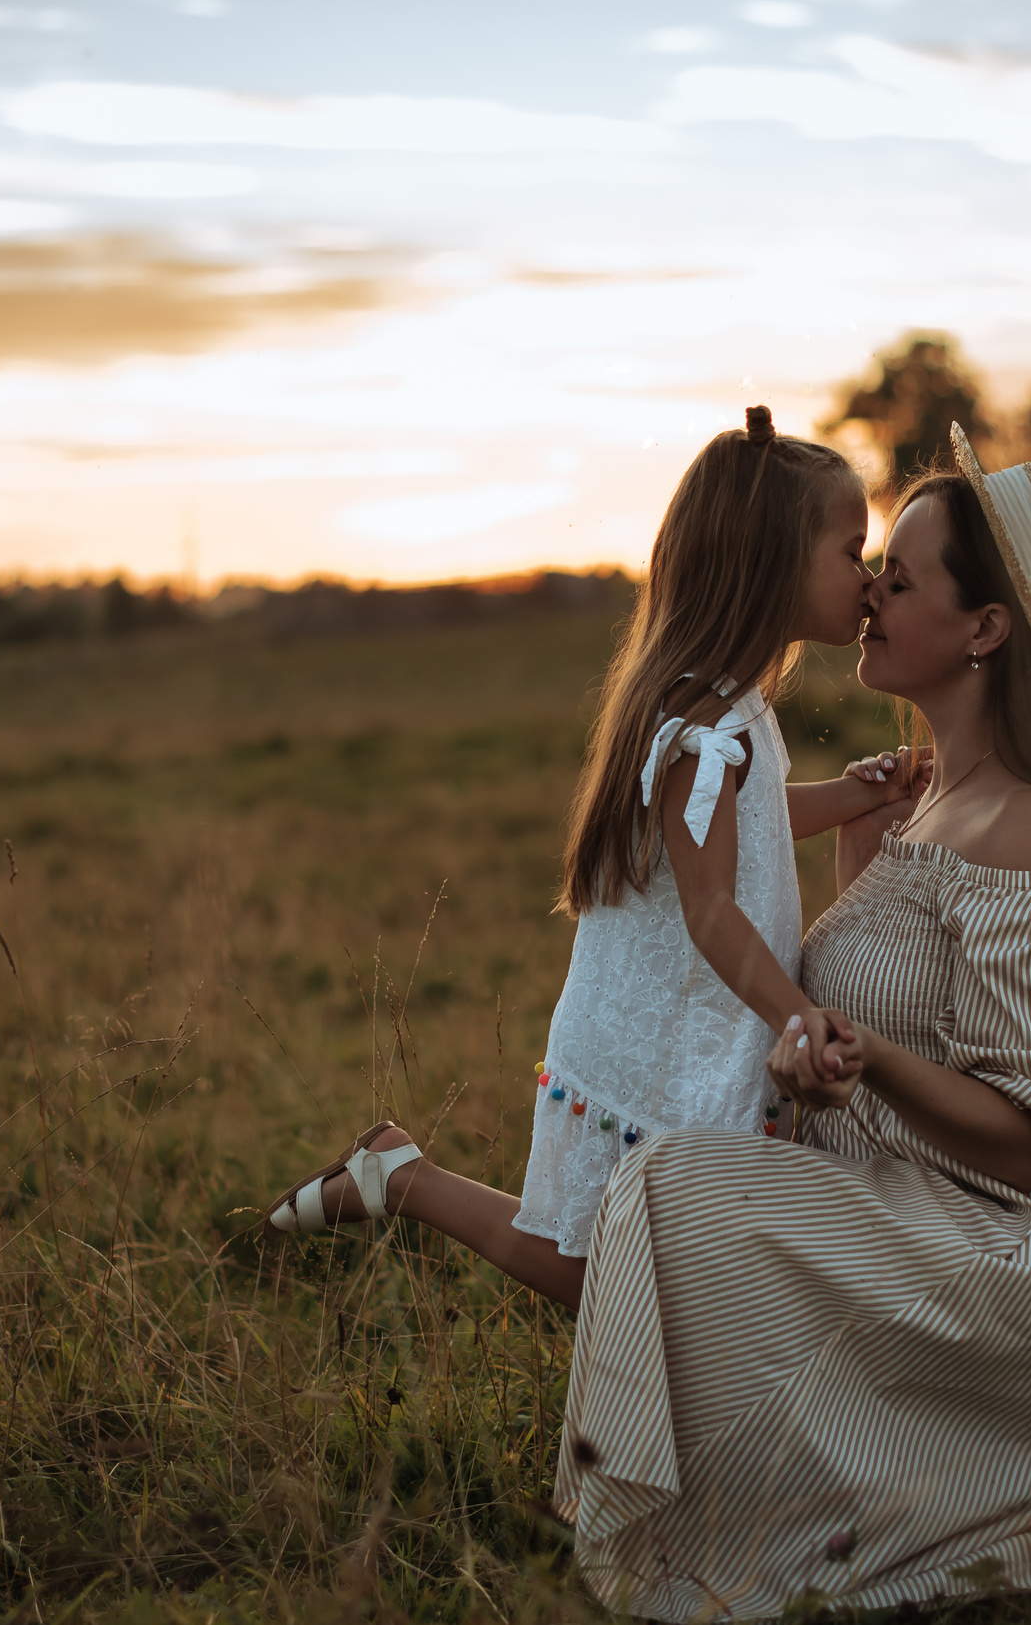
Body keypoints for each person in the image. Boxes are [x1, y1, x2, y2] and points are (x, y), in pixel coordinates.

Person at [263, 425, 1031, 1625]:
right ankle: (718, 1488)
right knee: (670, 1193)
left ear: (986, 629)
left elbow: (1027, 1144)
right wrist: (860, 845)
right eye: (864, 560)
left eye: (897, 577)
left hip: (1028, 1259)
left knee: (670, 1197)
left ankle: (679, 1497)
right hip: (916, 1188)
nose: (869, 591)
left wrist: (855, 1056)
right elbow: (841, 965)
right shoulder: (927, 794)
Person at [265, 406, 920, 1306]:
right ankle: (403, 1177)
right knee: (597, 1276)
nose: (870, 577)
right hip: (661, 1040)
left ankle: (399, 1175)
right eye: (852, 551)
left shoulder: (735, 715)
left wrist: (861, 794)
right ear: (772, 564)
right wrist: (796, 1013)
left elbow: (750, 824)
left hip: (693, 1027)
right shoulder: (705, 728)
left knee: (636, 1276)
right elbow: (712, 908)